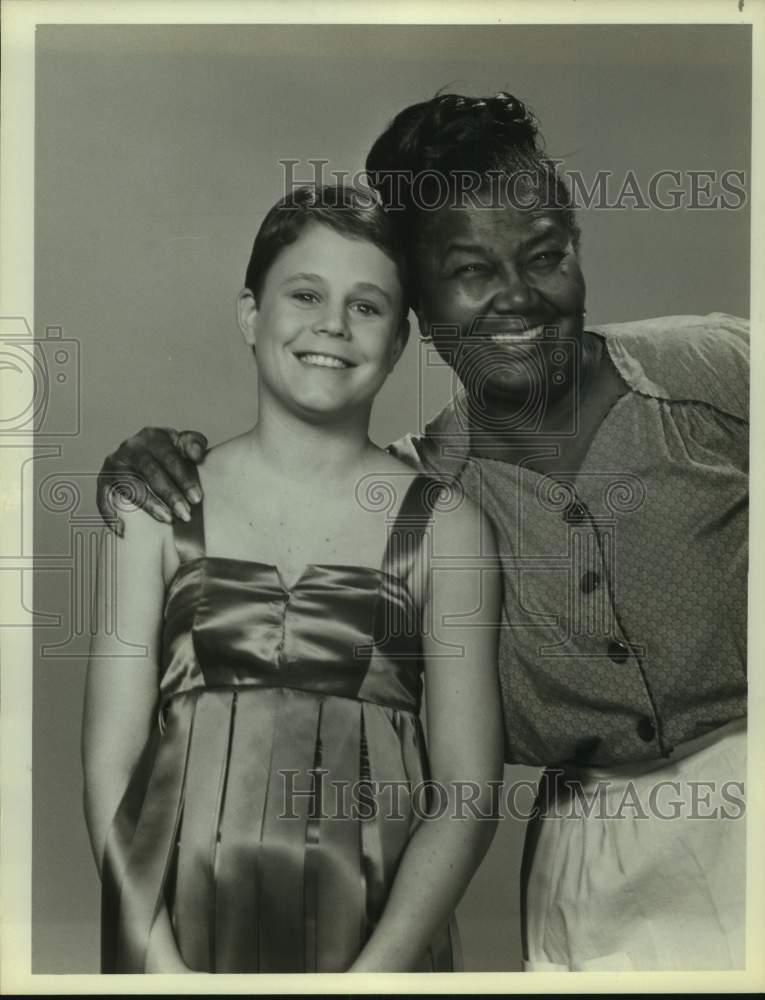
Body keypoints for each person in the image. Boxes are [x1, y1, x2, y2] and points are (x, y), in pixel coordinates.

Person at [96, 92, 749, 972]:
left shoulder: (714, 369)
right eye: (472, 270)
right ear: (422, 311)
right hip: (596, 875)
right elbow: (296, 492)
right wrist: (147, 459)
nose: (519, 295)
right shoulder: (421, 503)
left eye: (547, 254)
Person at [83, 184, 503, 974]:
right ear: (251, 315)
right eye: (304, 294)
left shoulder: (447, 529)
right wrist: (156, 965)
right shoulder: (157, 508)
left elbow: (467, 792)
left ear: (401, 339)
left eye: (367, 306)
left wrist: (375, 978)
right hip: (171, 944)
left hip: (375, 946)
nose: (332, 326)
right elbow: (110, 766)